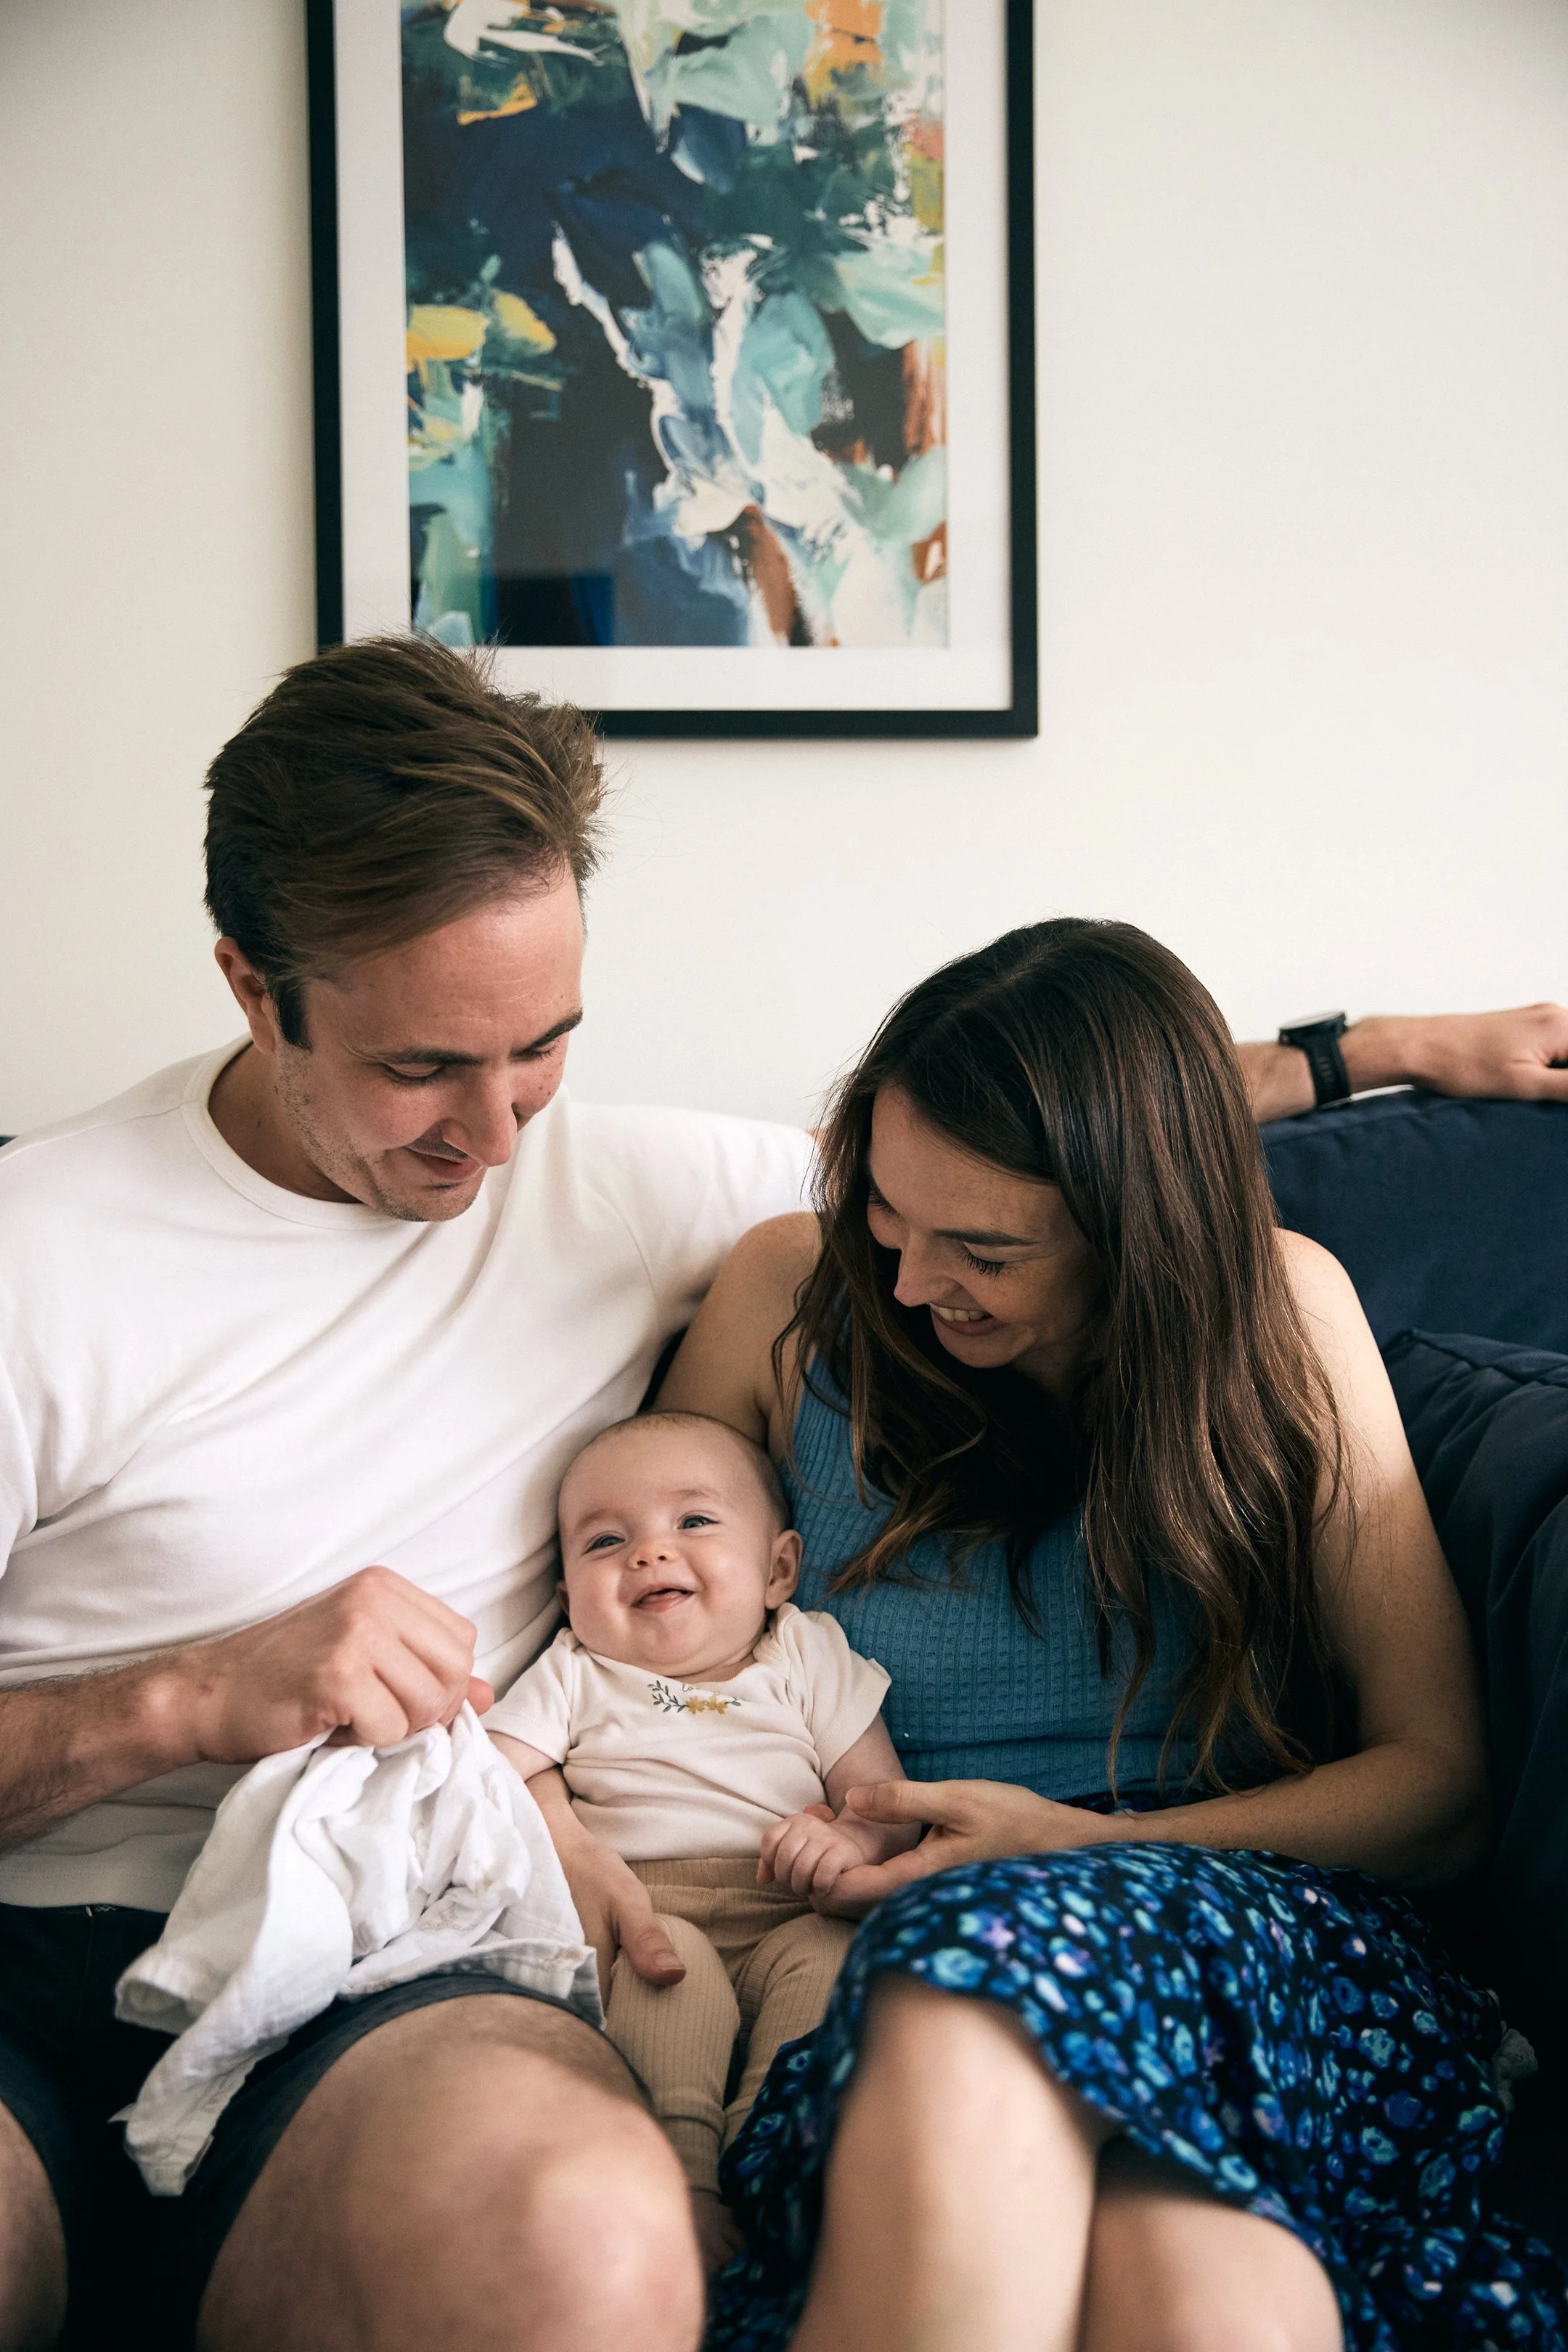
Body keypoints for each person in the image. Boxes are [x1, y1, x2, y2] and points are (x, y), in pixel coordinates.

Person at [0, 637, 816, 2351]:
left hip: (386, 1966)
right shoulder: (39, 1255)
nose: (498, 1132)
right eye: (419, 1068)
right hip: (23, 1954)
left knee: (589, 2243)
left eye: (544, 1044)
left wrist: (1365, 1053)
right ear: (251, 983)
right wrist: (186, 1695)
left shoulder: (619, 1181)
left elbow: (1008, 1136)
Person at [644, 917, 1568, 2352]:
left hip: (1228, 1921)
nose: (909, 1280)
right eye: (891, 1213)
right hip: (877, 1918)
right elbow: (646, 1631)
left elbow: (1438, 1789)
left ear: (1139, 1226)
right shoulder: (789, 1297)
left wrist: (1077, 1851)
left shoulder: (1284, 1316)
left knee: (981, 1993)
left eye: (984, 1249)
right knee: (1190, 2289)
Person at [486, 1409, 914, 2269]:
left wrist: (852, 1842)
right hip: (648, 1907)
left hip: (792, 1906)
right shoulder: (577, 1669)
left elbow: (883, 1800)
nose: (649, 1552)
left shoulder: (806, 1653)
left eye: (694, 1521)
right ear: (569, 1595)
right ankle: (684, 2173)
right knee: (665, 1967)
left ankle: (770, 2140)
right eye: (606, 1541)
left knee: (833, 1954)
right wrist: (567, 1838)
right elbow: (495, 1767)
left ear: (778, 1569)